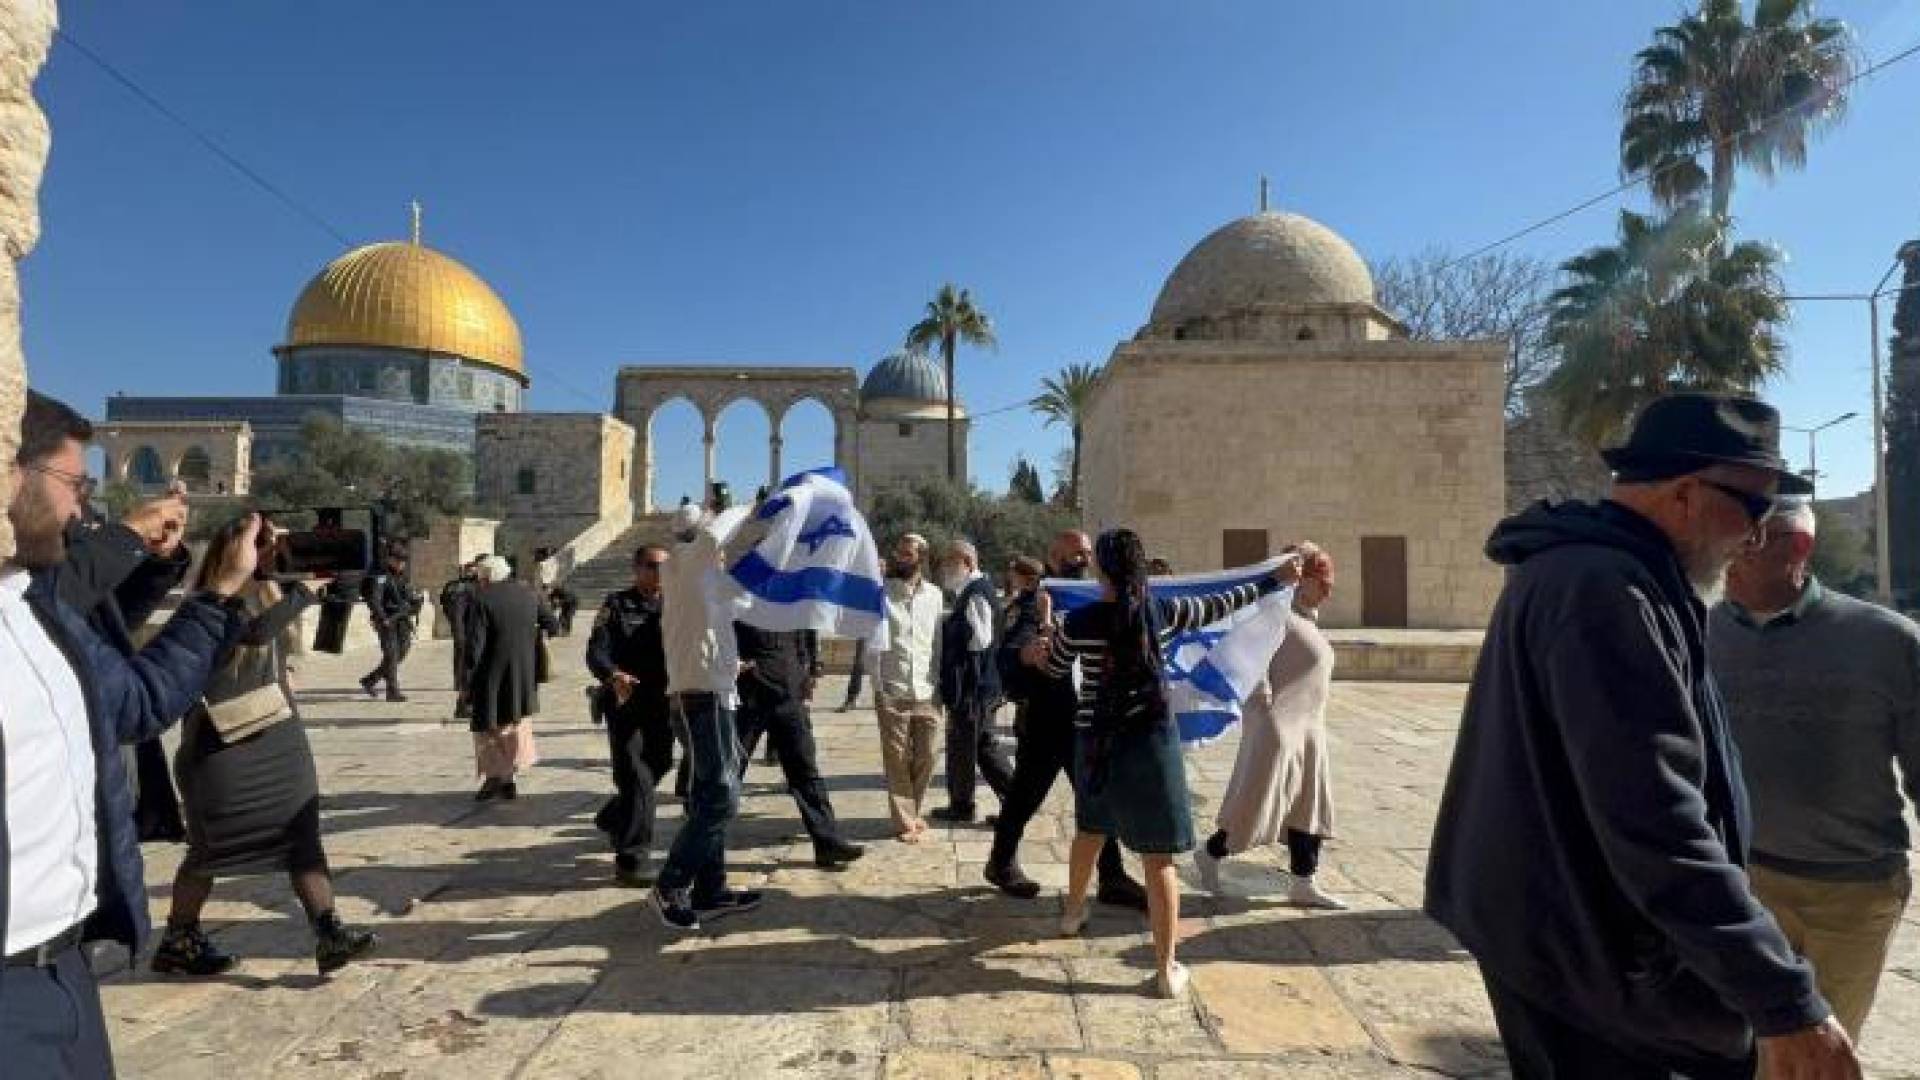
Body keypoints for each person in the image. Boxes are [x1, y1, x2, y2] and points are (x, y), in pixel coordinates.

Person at [1425, 393, 1860, 1080]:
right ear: (1687, 494)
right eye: (1754, 508)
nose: (1755, 537)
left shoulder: (1611, 574)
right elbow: (1652, 813)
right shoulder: (1606, 590)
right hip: (1587, 951)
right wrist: (1784, 1001)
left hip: (1562, 933)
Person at [1, 390, 258, 1077]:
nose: (84, 507)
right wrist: (214, 599)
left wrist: (162, 563)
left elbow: (105, 637)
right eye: (76, 483)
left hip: (67, 966)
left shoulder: (32, 607)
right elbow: (144, 699)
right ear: (10, 471)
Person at [1024, 528, 1294, 999]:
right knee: (1158, 857)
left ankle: (1071, 914)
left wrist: (1045, 631)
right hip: (1151, 742)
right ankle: (1166, 969)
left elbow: (1051, 667)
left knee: (1090, 831)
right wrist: (1273, 581)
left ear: (1101, 570)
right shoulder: (1163, 612)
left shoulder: (1081, 621)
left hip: (1097, 745)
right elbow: (1223, 604)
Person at [1713, 499, 1920, 1043]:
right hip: (1741, 885)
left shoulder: (1887, 640)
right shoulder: (1698, 634)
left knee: (1820, 1050)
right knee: (1737, 1047)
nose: (1731, 553)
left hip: (1852, 893)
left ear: (1799, 547)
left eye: (1751, 539)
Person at [150, 518, 376, 978]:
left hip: (279, 743)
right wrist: (303, 591)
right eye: (268, 546)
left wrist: (335, 588)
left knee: (303, 839)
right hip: (222, 751)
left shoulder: (267, 598)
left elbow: (305, 643)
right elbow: (248, 635)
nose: (278, 554)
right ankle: (179, 938)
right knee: (209, 850)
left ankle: (329, 932)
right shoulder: (207, 604)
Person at [984, 533, 1145, 911]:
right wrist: (1025, 655)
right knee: (1024, 797)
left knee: (1098, 801)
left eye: (1089, 553)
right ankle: (1001, 862)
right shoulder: (1036, 602)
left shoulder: (1099, 600)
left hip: (1087, 722)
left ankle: (1112, 877)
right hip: (1046, 723)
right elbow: (1006, 657)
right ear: (1055, 555)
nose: (1084, 558)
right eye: (1077, 552)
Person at [1194, 543, 1345, 909]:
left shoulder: (1306, 620)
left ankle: (1303, 882)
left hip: (1310, 730)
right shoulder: (1274, 618)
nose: (1330, 587)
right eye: (1322, 578)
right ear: (1300, 578)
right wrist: (1264, 721)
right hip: (1280, 730)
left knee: (1309, 806)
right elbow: (1250, 672)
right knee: (1254, 804)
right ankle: (1211, 854)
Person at [60, 484, 195, 843]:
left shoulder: (74, 532)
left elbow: (114, 618)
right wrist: (126, 536)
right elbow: (48, 608)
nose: (83, 496)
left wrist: (158, 561)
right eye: (72, 482)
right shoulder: (25, 556)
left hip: (108, 724)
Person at [651, 502, 763, 931]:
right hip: (700, 699)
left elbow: (749, 600)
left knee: (710, 795)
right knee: (721, 796)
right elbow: (717, 536)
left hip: (716, 696)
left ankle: (711, 889)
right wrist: (752, 506)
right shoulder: (686, 562)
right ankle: (671, 884)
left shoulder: (705, 582)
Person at [734, 621, 865, 868]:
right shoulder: (741, 592)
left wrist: (810, 670)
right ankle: (705, 853)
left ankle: (828, 842)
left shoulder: (792, 593)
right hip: (749, 697)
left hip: (788, 696)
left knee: (805, 770)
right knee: (729, 774)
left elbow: (805, 633)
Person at [585, 546, 675, 886]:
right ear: (637, 568)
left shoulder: (676, 606)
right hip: (625, 701)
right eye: (652, 566)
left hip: (662, 701)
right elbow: (596, 651)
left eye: (665, 567)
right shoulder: (616, 605)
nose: (659, 572)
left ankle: (613, 815)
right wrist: (612, 675)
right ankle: (632, 857)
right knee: (636, 776)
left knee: (661, 763)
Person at [869, 533, 944, 842]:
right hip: (893, 688)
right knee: (896, 758)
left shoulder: (936, 595)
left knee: (928, 755)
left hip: (928, 689)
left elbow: (937, 641)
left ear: (921, 558)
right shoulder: (881, 594)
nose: (901, 558)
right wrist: (878, 686)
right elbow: (871, 644)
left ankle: (915, 809)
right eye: (898, 552)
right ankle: (905, 821)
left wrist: (939, 684)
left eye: (907, 554)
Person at [932, 540, 1013, 823]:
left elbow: (980, 640)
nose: (944, 568)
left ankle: (973, 805)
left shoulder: (977, 593)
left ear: (967, 562)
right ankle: (968, 802)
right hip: (975, 686)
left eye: (949, 562)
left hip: (973, 688)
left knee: (973, 747)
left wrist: (953, 634)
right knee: (973, 746)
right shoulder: (970, 591)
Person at [465, 555, 552, 800]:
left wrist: (466, 679)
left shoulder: (481, 599)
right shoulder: (530, 594)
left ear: (486, 577)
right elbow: (552, 624)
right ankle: (508, 778)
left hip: (490, 674)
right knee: (515, 722)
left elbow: (475, 647)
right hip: (523, 672)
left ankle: (496, 777)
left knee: (487, 726)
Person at [358, 547, 414, 703]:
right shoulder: (381, 576)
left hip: (401, 620)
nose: (401, 564)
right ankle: (392, 691)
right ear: (390, 559)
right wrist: (382, 619)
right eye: (398, 560)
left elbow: (408, 596)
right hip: (387, 620)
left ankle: (370, 680)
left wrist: (412, 603)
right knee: (391, 654)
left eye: (403, 561)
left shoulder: (403, 577)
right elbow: (374, 600)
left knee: (402, 651)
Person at [440, 558, 479, 719]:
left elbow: (444, 604)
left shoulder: (451, 586)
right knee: (470, 666)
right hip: (469, 632)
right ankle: (464, 704)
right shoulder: (471, 588)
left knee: (462, 661)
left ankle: (461, 690)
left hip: (462, 632)